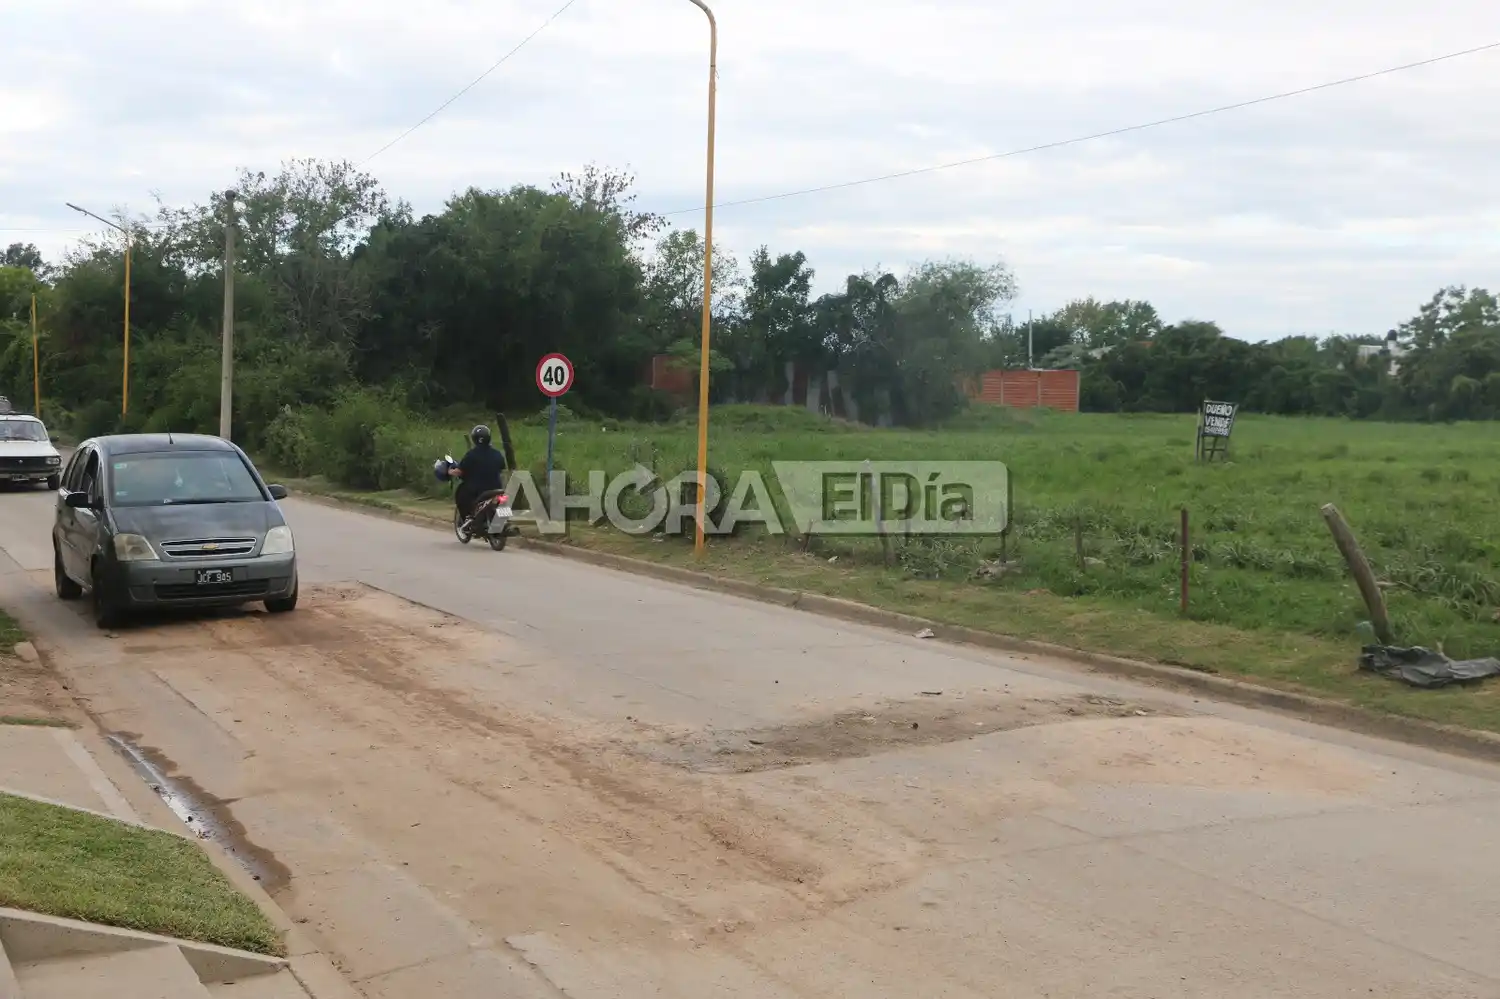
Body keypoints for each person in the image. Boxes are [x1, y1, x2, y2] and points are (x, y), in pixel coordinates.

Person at [447, 424, 507, 528]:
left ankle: (467, 519)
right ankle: (504, 522)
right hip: (496, 487)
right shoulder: (497, 454)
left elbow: (460, 471)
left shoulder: (471, 455)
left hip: (477, 490)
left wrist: (450, 472)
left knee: (461, 494)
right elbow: (502, 468)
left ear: (474, 439)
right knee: (504, 500)